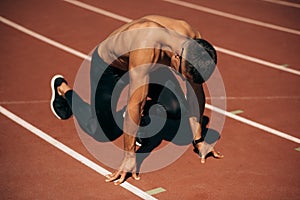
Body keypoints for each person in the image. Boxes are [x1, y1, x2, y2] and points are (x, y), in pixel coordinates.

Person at [50, 15, 223, 185]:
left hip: (151, 66)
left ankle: (139, 123)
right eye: (182, 74)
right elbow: (136, 103)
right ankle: (63, 90)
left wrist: (199, 141)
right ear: (176, 57)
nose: (183, 78)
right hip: (110, 67)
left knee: (175, 108)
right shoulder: (146, 46)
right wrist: (130, 156)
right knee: (102, 132)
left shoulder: (193, 41)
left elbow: (195, 93)